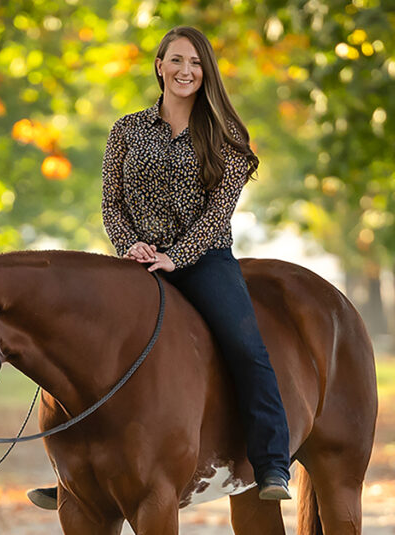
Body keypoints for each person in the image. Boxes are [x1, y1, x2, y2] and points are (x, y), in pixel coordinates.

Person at [28, 26, 291, 510]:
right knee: (82, 347)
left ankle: (272, 459)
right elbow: (111, 204)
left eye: (194, 62)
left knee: (245, 346)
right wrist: (132, 246)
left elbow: (218, 214)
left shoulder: (226, 134)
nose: (185, 70)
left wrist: (177, 256)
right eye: (176, 60)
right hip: (137, 260)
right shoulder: (126, 129)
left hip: (204, 257)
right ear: (159, 66)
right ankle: (76, 474)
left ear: (205, 71)